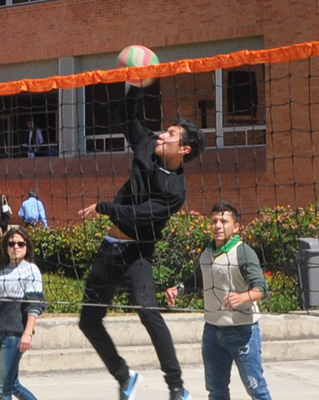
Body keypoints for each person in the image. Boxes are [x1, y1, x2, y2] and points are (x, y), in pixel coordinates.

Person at [77, 84, 206, 400]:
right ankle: (125, 376)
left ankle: (176, 386)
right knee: (88, 320)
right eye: (164, 131)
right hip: (111, 247)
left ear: (184, 149)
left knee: (147, 310)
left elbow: (139, 216)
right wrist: (136, 86)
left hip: (137, 251)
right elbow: (126, 120)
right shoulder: (147, 143)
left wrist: (104, 206)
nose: (162, 135)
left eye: (171, 134)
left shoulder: (176, 191)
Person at [166, 202, 272, 400]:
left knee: (256, 390)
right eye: (214, 221)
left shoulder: (243, 252)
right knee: (216, 391)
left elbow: (262, 289)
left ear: (236, 227)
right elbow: (197, 280)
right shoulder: (207, 252)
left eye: (224, 221)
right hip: (212, 332)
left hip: (242, 331)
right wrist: (178, 290)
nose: (217, 226)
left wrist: (242, 297)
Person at [0, 227, 46, 400]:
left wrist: (28, 333)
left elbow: (35, 305)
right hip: (1, 334)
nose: (16, 247)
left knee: (3, 387)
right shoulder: (1, 271)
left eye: (20, 243)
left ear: (26, 247)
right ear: (6, 247)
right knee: (12, 384)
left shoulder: (30, 270)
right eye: (11, 243)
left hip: (16, 336)